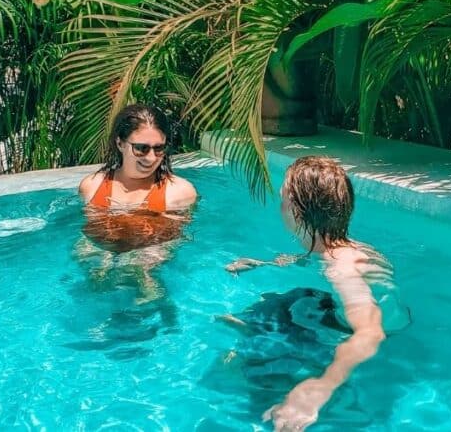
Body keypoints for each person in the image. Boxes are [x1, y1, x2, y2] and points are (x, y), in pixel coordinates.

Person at [225, 156, 410, 431]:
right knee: (288, 299)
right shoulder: (349, 248)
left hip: (354, 335)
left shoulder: (342, 269)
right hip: (374, 318)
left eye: (284, 198)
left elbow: (371, 333)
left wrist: (319, 389)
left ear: (299, 212)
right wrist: (261, 264)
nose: (281, 204)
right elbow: (312, 259)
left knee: (262, 332)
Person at [75, 103, 197, 303]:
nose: (151, 158)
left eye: (159, 149)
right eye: (141, 148)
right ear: (120, 143)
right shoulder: (92, 187)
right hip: (98, 278)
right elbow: (89, 237)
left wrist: (140, 265)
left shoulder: (179, 193)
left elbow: (174, 242)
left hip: (147, 277)